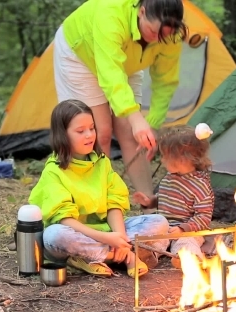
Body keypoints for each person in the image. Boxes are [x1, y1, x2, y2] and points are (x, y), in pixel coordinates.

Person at [53, 0, 188, 210]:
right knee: (100, 131)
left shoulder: (170, 34)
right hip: (80, 52)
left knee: (131, 133)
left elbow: (165, 81)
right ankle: (98, 201)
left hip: (126, 61)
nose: (157, 39)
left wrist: (151, 124)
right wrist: (135, 117)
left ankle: (148, 200)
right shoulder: (111, 15)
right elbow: (110, 74)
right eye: (153, 31)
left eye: (163, 36)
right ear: (142, 12)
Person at [29, 99, 170, 278]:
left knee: (159, 222)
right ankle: (128, 256)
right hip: (76, 234)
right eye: (80, 131)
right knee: (54, 236)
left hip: (108, 231)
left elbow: (114, 203)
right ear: (63, 135)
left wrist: (120, 237)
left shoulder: (101, 162)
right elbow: (64, 219)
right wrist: (106, 239)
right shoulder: (54, 171)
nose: (89, 135)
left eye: (92, 128)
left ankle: (98, 256)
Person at [132, 124, 217, 268]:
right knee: (154, 241)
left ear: (182, 159)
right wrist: (150, 202)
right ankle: (147, 256)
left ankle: (187, 258)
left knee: (187, 242)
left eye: (165, 156)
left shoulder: (200, 185)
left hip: (188, 231)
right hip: (165, 229)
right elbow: (166, 199)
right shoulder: (170, 178)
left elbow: (203, 216)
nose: (162, 160)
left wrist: (183, 229)